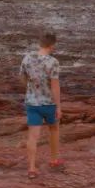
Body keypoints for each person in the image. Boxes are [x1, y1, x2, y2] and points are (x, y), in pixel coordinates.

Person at [19, 32, 63, 179]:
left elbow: (23, 77)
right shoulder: (53, 62)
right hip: (49, 103)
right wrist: (58, 107)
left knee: (33, 136)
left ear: (40, 43)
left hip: (32, 102)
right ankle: (54, 159)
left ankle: (31, 168)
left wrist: (31, 89)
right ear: (52, 45)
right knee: (54, 129)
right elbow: (55, 86)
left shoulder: (27, 58)